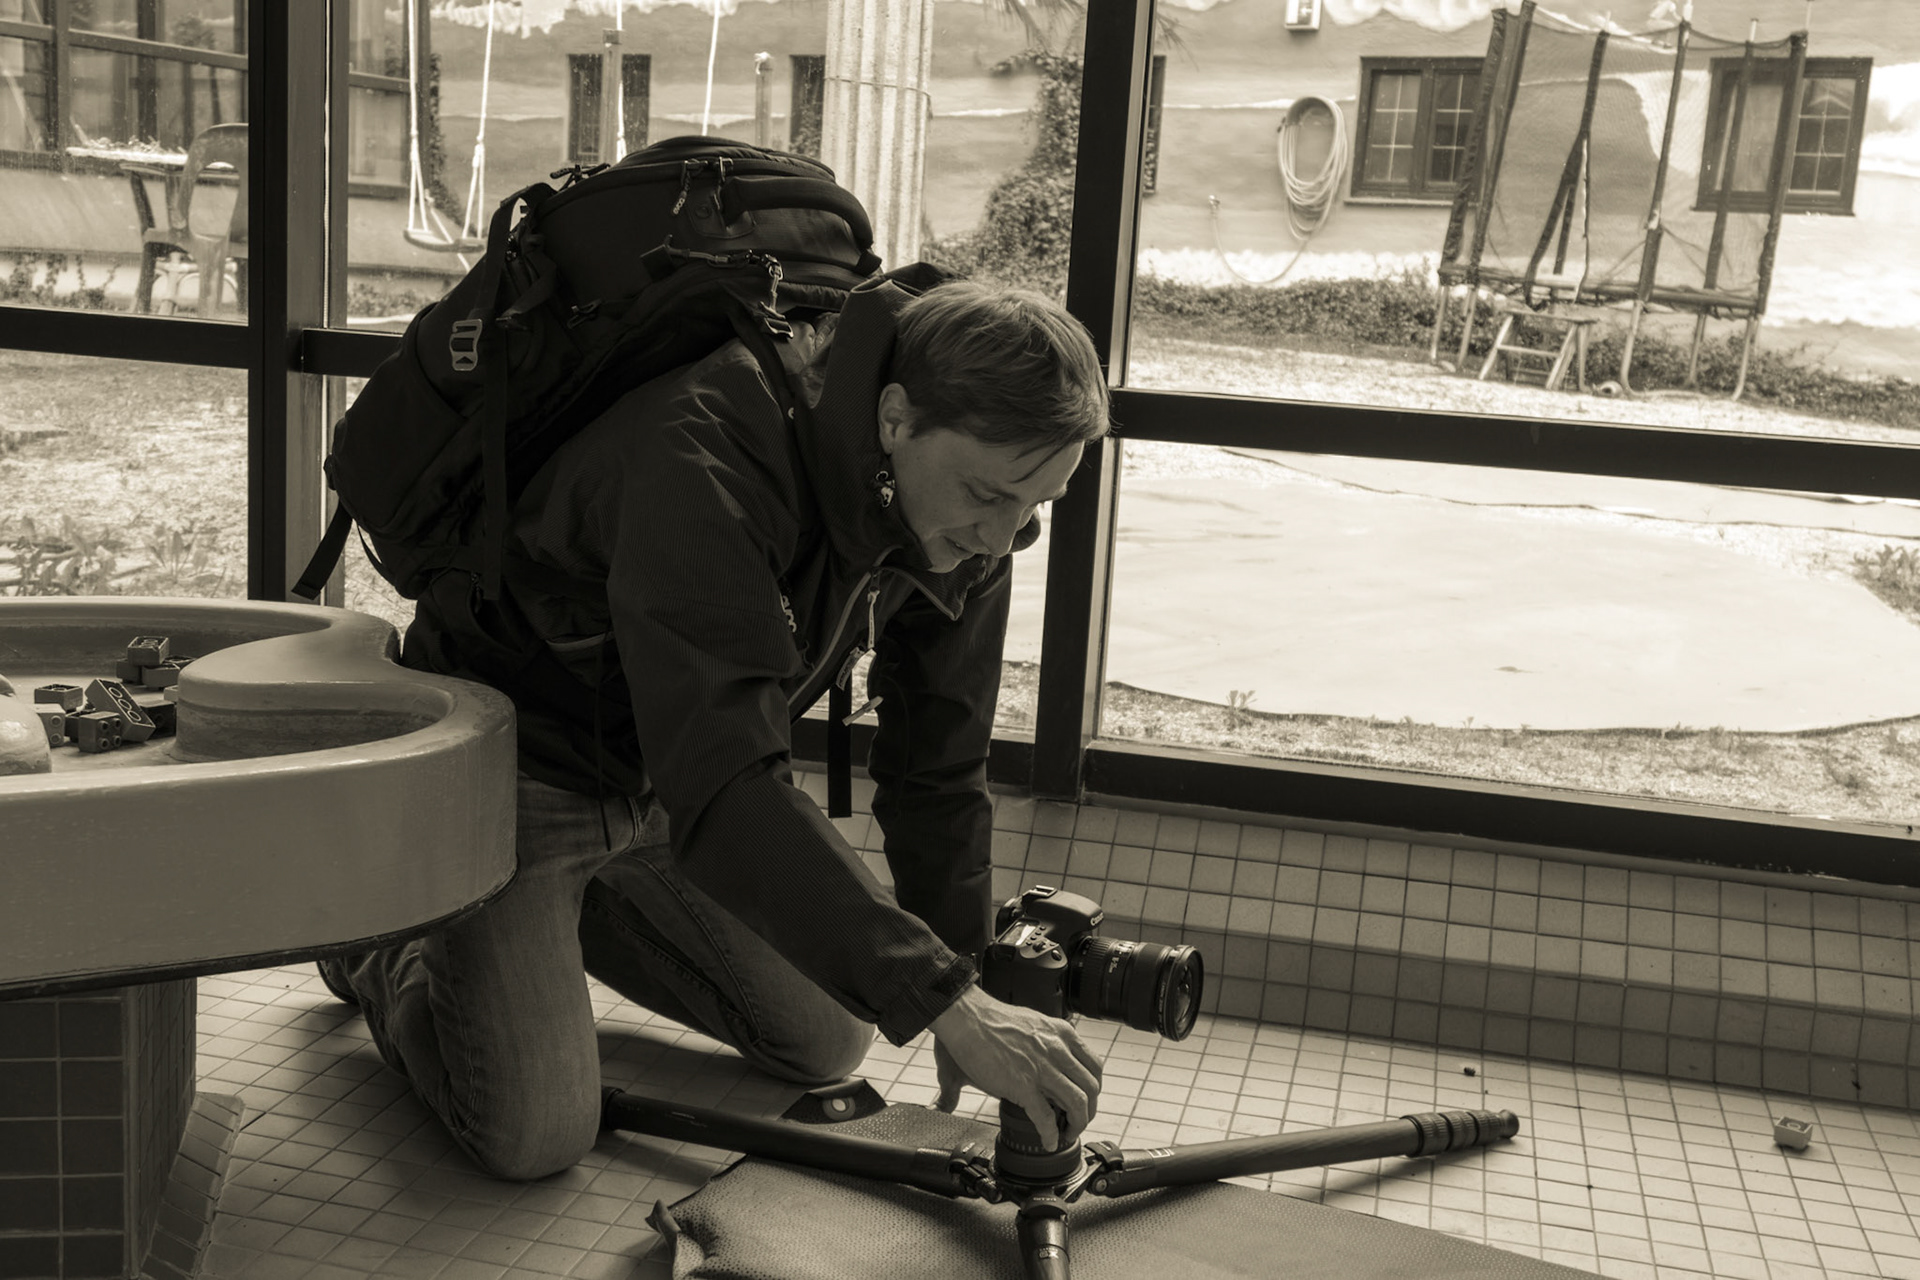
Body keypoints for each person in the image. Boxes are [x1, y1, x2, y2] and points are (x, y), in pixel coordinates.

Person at [319, 264, 1112, 1181]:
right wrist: (952, 1007)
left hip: (660, 777)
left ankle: (561, 920)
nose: (1004, 538)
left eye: (1034, 507)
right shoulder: (703, 454)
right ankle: (382, 943)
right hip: (522, 769)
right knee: (535, 1136)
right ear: (896, 418)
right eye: (989, 497)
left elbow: (936, 765)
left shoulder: (961, 509)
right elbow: (728, 781)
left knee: (830, 1037)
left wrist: (963, 980)